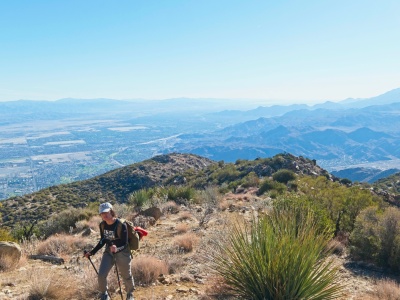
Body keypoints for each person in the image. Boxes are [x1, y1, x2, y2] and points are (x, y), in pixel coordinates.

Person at [84, 202, 135, 300]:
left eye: (106, 212)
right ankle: (104, 295)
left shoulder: (121, 224)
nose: (104, 215)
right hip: (109, 252)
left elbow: (124, 242)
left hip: (123, 252)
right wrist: (92, 252)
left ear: (111, 211)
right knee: (101, 275)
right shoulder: (102, 225)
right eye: (102, 213)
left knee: (126, 275)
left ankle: (130, 294)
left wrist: (116, 246)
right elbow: (103, 240)